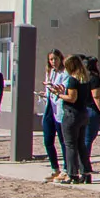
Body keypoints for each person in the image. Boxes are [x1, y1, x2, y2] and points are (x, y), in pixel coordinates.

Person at [56, 55, 92, 184]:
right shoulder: (85, 79)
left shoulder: (72, 80)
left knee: (70, 145)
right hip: (83, 113)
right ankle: (86, 173)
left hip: (72, 114)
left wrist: (58, 94)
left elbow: (72, 98)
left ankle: (72, 174)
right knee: (81, 144)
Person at [40, 48, 68, 181]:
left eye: (55, 59)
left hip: (60, 107)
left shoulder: (65, 72)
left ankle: (66, 169)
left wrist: (55, 89)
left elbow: (65, 89)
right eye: (51, 59)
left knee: (63, 140)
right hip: (50, 106)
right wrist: (44, 94)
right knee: (47, 139)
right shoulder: (50, 72)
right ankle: (54, 168)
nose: (53, 62)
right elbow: (48, 90)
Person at [81, 56, 100, 167]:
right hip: (92, 109)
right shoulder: (94, 78)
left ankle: (83, 163)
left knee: (84, 138)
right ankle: (84, 164)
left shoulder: (81, 77)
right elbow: (96, 96)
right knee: (88, 138)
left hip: (82, 108)